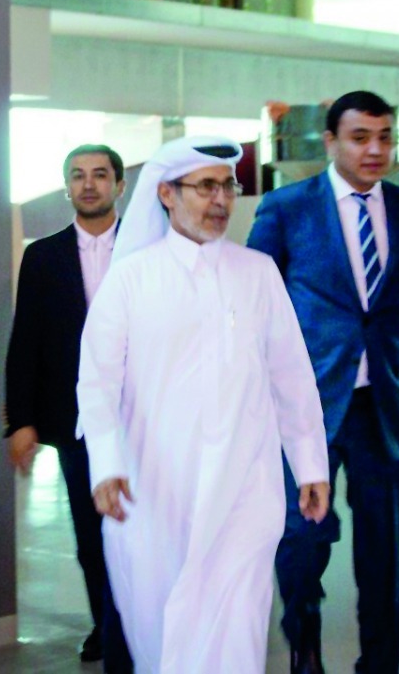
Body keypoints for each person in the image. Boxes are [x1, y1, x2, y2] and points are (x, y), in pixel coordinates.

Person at [77, 135, 331, 674]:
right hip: (156, 489)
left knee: (238, 629)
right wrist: (106, 463)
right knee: (164, 634)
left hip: (245, 487)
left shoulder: (258, 272)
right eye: (206, 187)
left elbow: (291, 375)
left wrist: (310, 464)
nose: (220, 200)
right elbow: (97, 383)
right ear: (167, 194)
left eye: (228, 187)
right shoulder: (130, 278)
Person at [247, 91, 399, 674]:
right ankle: (304, 644)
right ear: (330, 142)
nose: (375, 149)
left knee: (385, 554)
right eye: (360, 137)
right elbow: (259, 305)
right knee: (302, 545)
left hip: (383, 407)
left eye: (384, 136)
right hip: (305, 409)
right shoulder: (286, 208)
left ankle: (380, 663)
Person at [4, 143, 130, 666]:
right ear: (67, 187)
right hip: (75, 420)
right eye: (77, 176)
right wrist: (21, 421)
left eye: (100, 175)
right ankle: (108, 625)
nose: (88, 184)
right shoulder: (43, 256)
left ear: (120, 185)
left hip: (147, 416)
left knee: (146, 529)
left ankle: (144, 624)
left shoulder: (149, 251)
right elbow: (24, 342)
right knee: (90, 532)